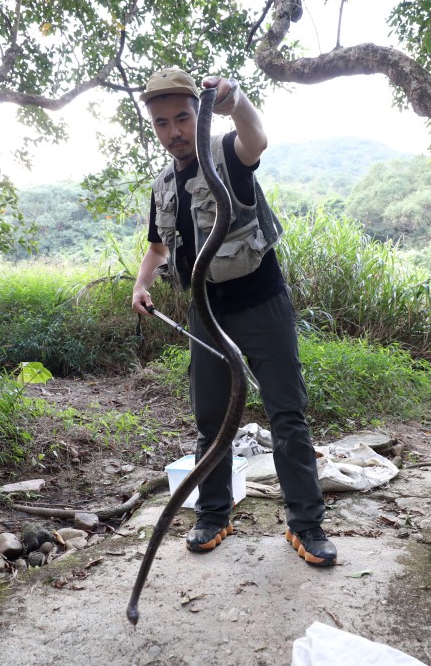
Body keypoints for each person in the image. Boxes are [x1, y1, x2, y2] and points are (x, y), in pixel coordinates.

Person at [131, 68, 336, 567]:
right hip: (206, 311)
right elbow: (159, 247)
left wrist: (235, 99)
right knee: (211, 420)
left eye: (182, 117)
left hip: (262, 302)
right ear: (154, 128)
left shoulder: (225, 152)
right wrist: (142, 283)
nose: (174, 130)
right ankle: (214, 514)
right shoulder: (162, 185)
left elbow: (256, 137)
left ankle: (306, 526)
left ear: (198, 115)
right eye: (162, 123)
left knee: (286, 414)